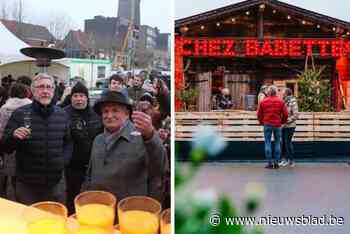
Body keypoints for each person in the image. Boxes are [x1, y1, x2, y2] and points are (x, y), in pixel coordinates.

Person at [83, 91, 167, 203]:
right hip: (100, 209)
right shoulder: (98, 140)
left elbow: (160, 168)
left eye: (115, 110)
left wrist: (151, 136)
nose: (109, 116)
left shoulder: (143, 137)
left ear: (127, 114)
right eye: (105, 111)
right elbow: (90, 175)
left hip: (129, 211)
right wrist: (85, 198)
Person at [2, 73, 72, 204]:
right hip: (27, 184)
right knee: (28, 220)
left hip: (55, 182)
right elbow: (6, 147)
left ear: (53, 90)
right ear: (33, 91)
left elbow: (68, 142)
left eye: (49, 87)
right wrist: (13, 137)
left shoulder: (62, 114)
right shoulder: (20, 113)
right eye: (40, 87)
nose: (45, 91)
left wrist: (63, 161)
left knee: (54, 219)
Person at [64, 82, 103, 214]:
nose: (79, 99)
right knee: (72, 197)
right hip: (72, 166)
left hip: (94, 165)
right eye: (75, 96)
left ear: (87, 98)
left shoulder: (96, 115)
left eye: (82, 96)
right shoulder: (64, 114)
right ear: (71, 97)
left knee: (92, 199)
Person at [0, 84, 32, 199]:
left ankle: (6, 195)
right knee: (22, 173)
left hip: (9, 142)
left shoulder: (4, 108)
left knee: (9, 170)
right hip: (26, 144)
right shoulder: (30, 105)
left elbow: (2, 128)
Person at [257, 85, 288, 169]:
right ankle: (277, 163)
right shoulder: (281, 101)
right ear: (276, 92)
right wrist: (282, 122)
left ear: (269, 92)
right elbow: (286, 114)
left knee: (267, 143)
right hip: (277, 125)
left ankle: (269, 163)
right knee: (277, 142)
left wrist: (261, 122)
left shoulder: (263, 102)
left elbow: (259, 114)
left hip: (267, 124)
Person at [279, 88, 299, 167]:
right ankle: (284, 160)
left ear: (287, 93)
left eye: (283, 92)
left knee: (288, 142)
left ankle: (291, 160)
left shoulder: (293, 101)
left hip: (290, 126)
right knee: (283, 143)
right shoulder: (283, 101)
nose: (282, 94)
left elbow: (296, 114)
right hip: (283, 125)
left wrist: (288, 120)